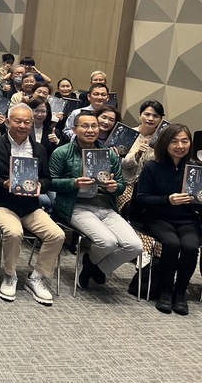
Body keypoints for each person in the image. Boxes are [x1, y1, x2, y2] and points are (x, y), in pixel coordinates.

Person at [49, 112, 142, 289]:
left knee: (135, 246)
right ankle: (94, 264)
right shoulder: (62, 152)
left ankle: (94, 266)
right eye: (85, 126)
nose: (90, 130)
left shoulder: (109, 154)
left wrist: (115, 188)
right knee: (107, 242)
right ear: (75, 129)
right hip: (75, 206)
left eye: (94, 126)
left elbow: (121, 184)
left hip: (106, 207)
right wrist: (74, 183)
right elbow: (50, 182)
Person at [0, 104, 64, 305]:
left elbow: (47, 179)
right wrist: (3, 183)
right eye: (18, 121)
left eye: (27, 122)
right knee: (14, 232)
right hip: (0, 203)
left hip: (30, 206)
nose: (22, 125)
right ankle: (10, 275)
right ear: (8, 122)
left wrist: (40, 186)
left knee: (57, 235)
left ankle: (36, 277)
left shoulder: (39, 149)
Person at [136, 124, 200, 315]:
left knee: (190, 246)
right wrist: (168, 200)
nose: (180, 145)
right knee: (171, 244)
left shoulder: (195, 169)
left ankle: (179, 292)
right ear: (165, 143)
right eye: (174, 141)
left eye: (185, 141)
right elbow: (141, 198)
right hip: (158, 217)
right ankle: (165, 290)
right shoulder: (152, 167)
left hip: (187, 219)